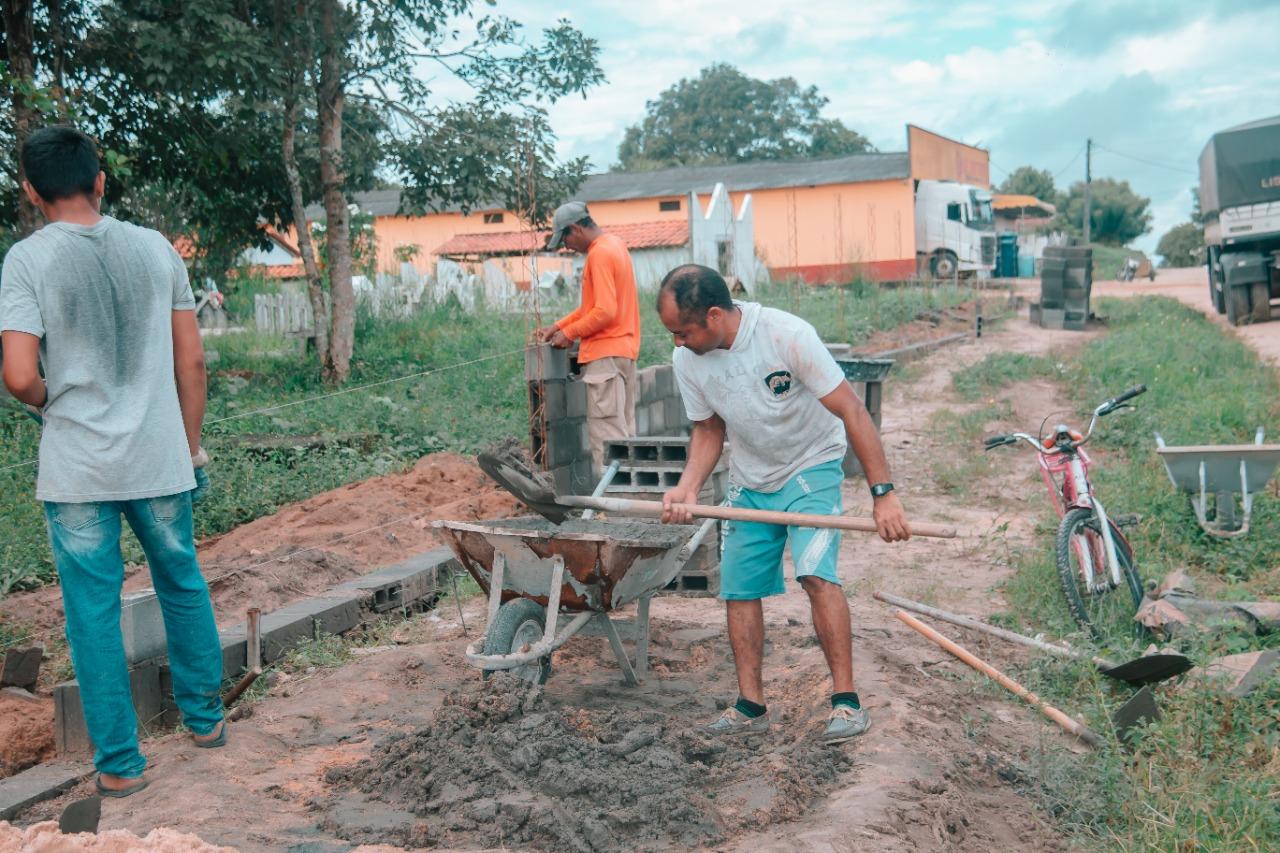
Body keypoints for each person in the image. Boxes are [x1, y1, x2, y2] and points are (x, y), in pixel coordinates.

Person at [0, 126, 224, 797]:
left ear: (33, 191)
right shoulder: (157, 250)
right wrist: (187, 445)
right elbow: (192, 361)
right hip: (158, 456)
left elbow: (17, 375)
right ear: (101, 181)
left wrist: (52, 402)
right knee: (181, 579)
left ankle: (122, 765)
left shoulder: (26, 261)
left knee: (91, 610)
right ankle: (207, 721)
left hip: (78, 466)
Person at [656, 264, 911, 744]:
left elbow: (852, 410)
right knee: (737, 588)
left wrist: (884, 495)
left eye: (682, 332)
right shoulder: (688, 360)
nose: (677, 342)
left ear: (713, 316)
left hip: (810, 464)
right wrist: (688, 487)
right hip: (752, 476)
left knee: (816, 574)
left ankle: (847, 703)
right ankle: (751, 706)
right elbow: (709, 428)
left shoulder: (785, 335)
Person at [535, 201, 640, 471]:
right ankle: (630, 506)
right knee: (624, 436)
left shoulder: (599, 255)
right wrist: (559, 327)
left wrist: (570, 333)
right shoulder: (615, 245)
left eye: (565, 239)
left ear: (575, 229)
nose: (567, 246)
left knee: (608, 441)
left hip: (605, 358)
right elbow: (590, 308)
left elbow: (604, 311)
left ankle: (613, 508)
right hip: (623, 354)